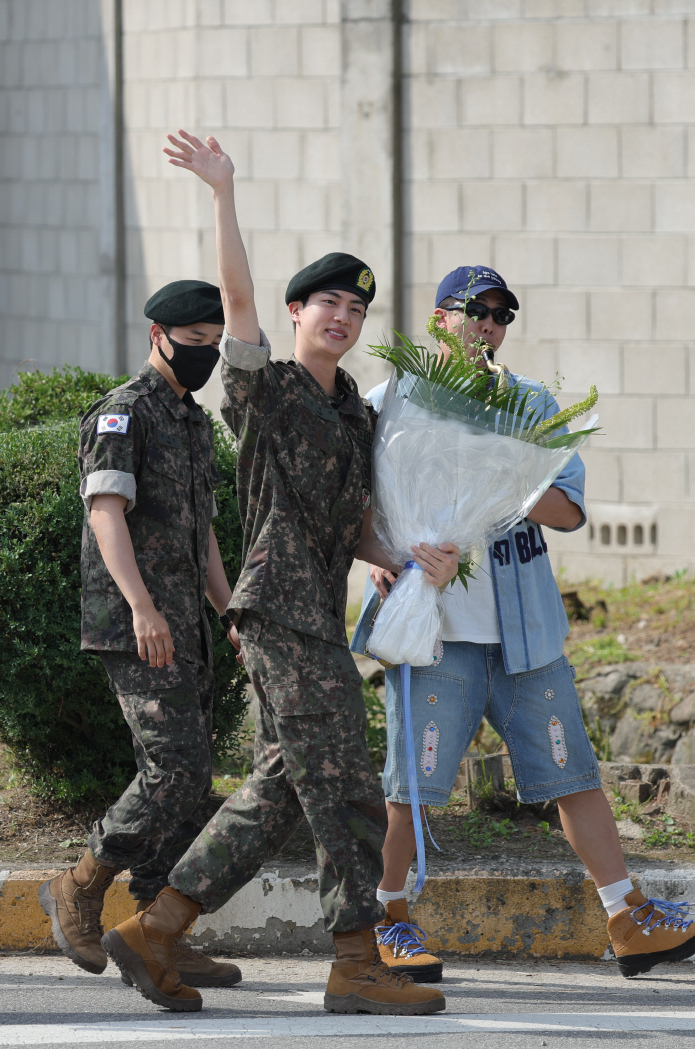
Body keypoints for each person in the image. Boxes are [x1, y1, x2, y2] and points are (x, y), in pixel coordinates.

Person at [99, 130, 459, 1014]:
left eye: (354, 309)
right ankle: (355, 961)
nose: (340, 317)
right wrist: (223, 191)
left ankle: (155, 928)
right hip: (278, 614)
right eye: (325, 302)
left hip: (315, 615)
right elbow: (236, 296)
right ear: (297, 314)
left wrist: (404, 558)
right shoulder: (269, 388)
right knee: (345, 784)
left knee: (281, 792)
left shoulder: (353, 413)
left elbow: (351, 524)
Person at [352, 265, 695, 983]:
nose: (489, 325)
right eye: (476, 311)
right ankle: (389, 919)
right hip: (435, 630)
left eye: (503, 315)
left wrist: (509, 471)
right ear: (441, 318)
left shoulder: (526, 404)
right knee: (410, 786)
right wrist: (380, 557)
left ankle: (627, 916)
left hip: (525, 632)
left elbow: (568, 509)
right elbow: (352, 500)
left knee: (573, 774)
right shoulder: (393, 401)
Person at [39, 280, 243, 990]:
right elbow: (105, 512)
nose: (206, 356)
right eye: (194, 344)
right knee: (176, 769)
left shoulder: (191, 420)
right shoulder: (125, 413)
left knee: (189, 781)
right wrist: (141, 606)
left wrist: (228, 609)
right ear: (157, 333)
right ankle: (80, 881)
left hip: (185, 621)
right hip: (139, 623)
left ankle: (162, 931)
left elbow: (202, 529)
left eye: (215, 344)